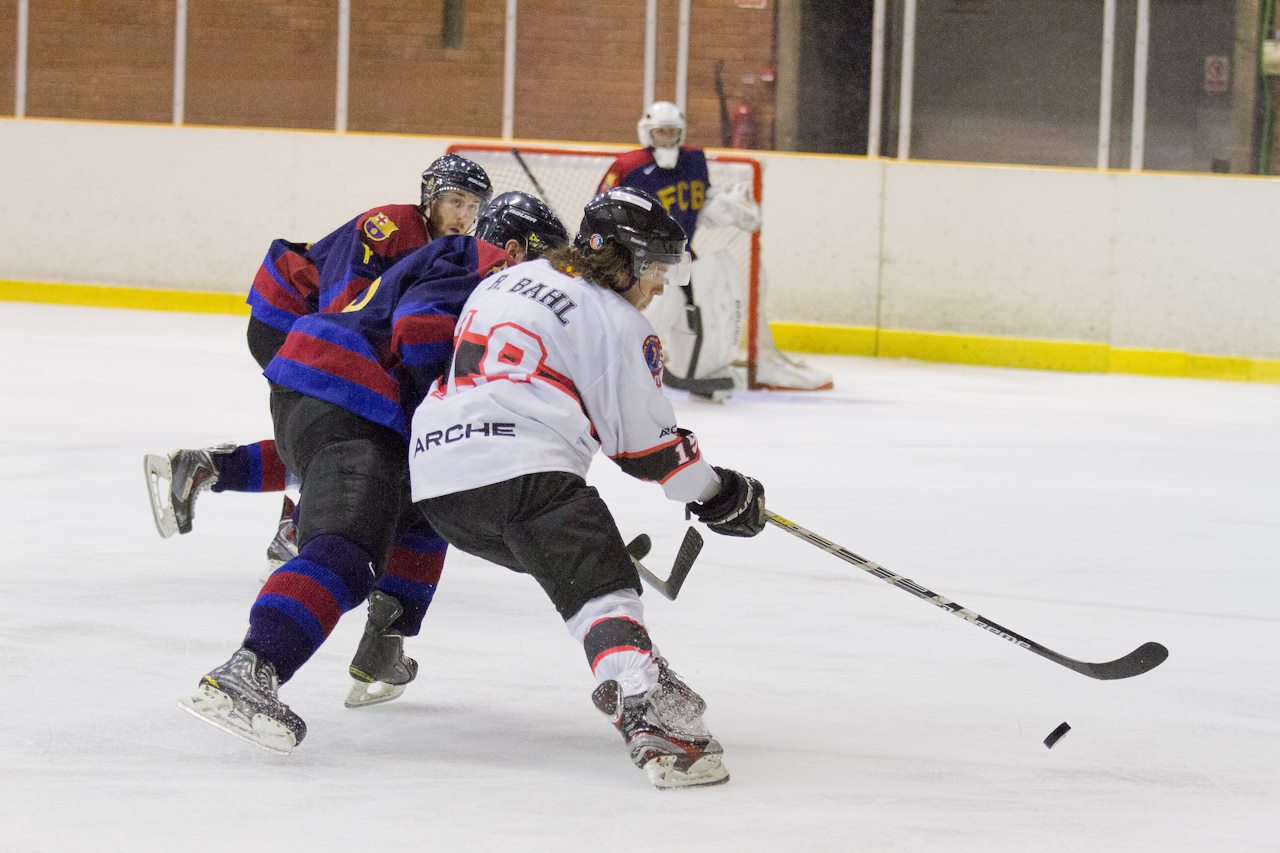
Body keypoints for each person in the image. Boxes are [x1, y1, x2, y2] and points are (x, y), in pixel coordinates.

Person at [177, 194, 568, 750]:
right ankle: (250, 668)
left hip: (335, 386)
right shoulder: (487, 268)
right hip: (349, 394)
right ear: (514, 248)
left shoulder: (472, 267)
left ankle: (383, 647)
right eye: (548, 261)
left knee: (424, 504)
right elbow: (420, 326)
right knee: (348, 549)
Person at [408, 187, 768, 789]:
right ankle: (643, 706)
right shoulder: (616, 320)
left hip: (437, 483)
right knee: (605, 592)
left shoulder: (506, 280)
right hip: (522, 471)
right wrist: (721, 494)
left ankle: (633, 657)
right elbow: (648, 453)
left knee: (577, 570)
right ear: (620, 258)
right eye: (653, 268)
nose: (659, 286)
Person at [144, 153, 495, 579]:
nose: (463, 216)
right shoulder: (391, 224)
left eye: (473, 207)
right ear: (430, 198)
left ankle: (211, 470)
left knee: (333, 433)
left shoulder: (435, 247)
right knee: (339, 430)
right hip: (287, 318)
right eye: (455, 201)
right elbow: (341, 303)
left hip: (311, 327)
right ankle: (292, 526)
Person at [599, 100, 831, 399]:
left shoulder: (694, 161)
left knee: (714, 291)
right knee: (643, 316)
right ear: (647, 133)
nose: (667, 139)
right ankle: (613, 373)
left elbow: (696, 203)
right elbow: (602, 212)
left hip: (677, 256)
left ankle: (700, 372)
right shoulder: (628, 166)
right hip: (636, 261)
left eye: (672, 133)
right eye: (660, 133)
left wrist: (727, 207)